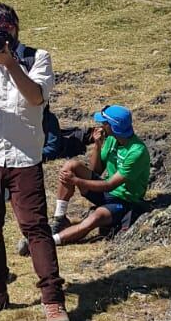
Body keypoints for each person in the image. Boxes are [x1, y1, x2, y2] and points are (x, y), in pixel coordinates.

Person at [0, 3, 70, 321]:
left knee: (34, 227)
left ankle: (52, 298)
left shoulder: (37, 58)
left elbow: (36, 97)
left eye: (7, 26)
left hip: (24, 155)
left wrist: (10, 63)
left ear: (17, 28)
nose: (1, 32)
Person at [53, 105, 153, 246]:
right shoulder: (112, 140)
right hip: (106, 191)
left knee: (96, 217)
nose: (101, 125)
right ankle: (59, 219)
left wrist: (76, 181)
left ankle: (50, 241)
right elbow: (96, 171)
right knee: (71, 165)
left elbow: (110, 184)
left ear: (113, 127)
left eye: (104, 123)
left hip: (124, 201)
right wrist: (97, 145)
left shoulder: (137, 152)